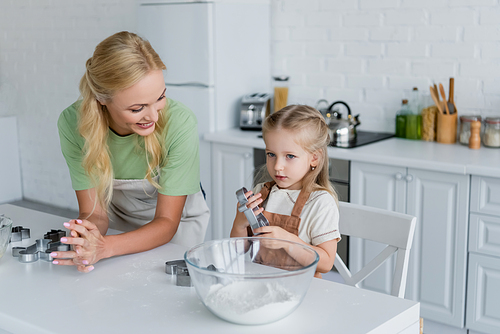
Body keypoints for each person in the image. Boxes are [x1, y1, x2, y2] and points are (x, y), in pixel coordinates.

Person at [53, 31, 210, 273]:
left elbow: (167, 223)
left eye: (160, 98)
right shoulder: (73, 123)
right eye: (137, 108)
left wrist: (106, 247)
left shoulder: (180, 122)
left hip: (176, 227)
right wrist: (86, 238)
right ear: (102, 99)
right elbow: (95, 213)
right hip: (117, 227)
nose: (154, 116)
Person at [230, 105, 340, 278]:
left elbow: (326, 263)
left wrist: (288, 241)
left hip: (304, 292)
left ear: (314, 158)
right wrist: (240, 223)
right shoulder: (261, 193)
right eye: (271, 154)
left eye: (290, 156)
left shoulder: (320, 202)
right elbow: (237, 250)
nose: (277, 166)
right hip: (262, 283)